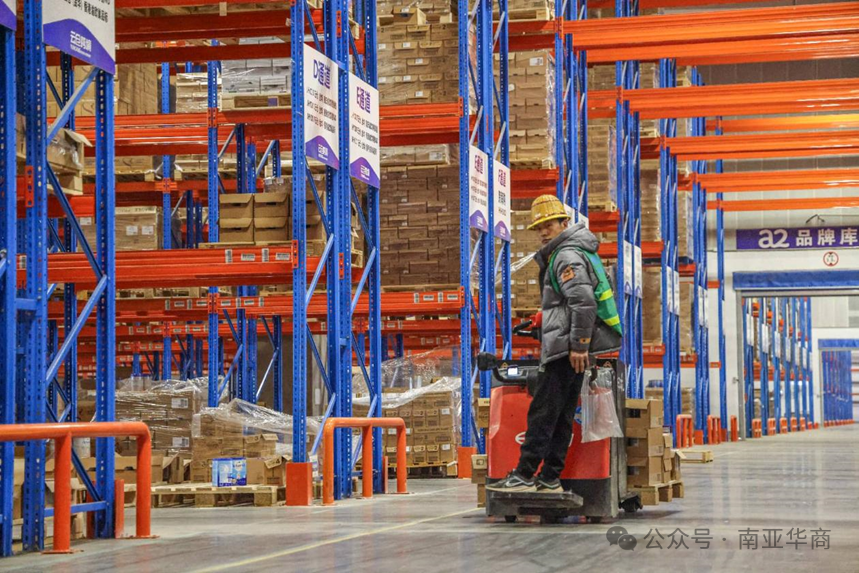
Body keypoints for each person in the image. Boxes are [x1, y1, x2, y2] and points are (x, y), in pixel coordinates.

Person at [487, 194, 622, 494]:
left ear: (564, 222)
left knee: (544, 412)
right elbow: (570, 300)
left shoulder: (566, 256)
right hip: (570, 345)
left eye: (549, 225)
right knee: (561, 414)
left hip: (566, 349)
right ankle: (549, 478)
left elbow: (583, 303)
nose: (544, 232)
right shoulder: (576, 251)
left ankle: (524, 475)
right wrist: (545, 318)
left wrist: (579, 344)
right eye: (539, 228)